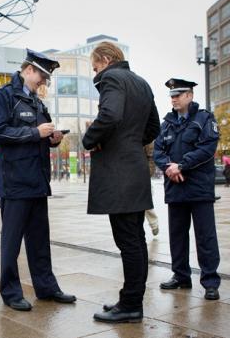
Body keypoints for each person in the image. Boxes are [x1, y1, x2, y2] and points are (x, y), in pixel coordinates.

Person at [0, 48, 76, 312]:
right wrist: (34, 132)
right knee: (11, 244)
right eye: (43, 76)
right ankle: (11, 293)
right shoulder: (3, 96)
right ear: (28, 70)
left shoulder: (37, 102)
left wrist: (52, 138)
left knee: (39, 241)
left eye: (47, 79)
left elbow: (39, 138)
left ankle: (46, 288)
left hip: (37, 182)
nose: (44, 82)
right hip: (15, 184)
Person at [82, 41, 160, 324]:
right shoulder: (142, 83)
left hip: (119, 173)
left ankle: (130, 305)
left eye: (95, 67)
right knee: (135, 240)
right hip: (135, 168)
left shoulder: (112, 77)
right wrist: (129, 143)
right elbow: (154, 127)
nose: (95, 73)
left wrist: (90, 139)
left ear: (105, 59)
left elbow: (111, 115)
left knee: (128, 241)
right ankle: (131, 300)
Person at [154, 78, 221, 301]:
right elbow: (158, 152)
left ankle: (210, 282)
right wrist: (169, 167)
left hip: (199, 188)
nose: (173, 98)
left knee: (206, 237)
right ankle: (181, 276)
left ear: (189, 96)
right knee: (177, 236)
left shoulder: (204, 119)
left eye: (178, 94)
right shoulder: (166, 124)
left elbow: (207, 148)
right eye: (171, 95)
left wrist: (181, 165)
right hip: (175, 188)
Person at [144, 142, 159, 236]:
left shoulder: (146, 136)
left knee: (146, 203)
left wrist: (147, 173)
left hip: (142, 175)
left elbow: (151, 156)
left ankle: (154, 224)